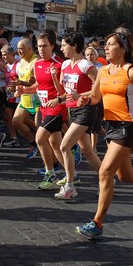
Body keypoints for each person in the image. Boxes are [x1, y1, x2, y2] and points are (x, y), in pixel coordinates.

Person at [75, 31, 133, 240]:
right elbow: (95, 97)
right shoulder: (102, 71)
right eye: (106, 43)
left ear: (123, 49)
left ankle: (97, 223)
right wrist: (83, 99)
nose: (106, 47)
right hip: (111, 125)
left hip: (128, 125)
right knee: (126, 175)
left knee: (105, 172)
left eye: (111, 44)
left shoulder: (132, 72)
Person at [15, 30, 66, 189]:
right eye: (39, 46)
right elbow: (38, 86)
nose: (42, 49)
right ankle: (72, 174)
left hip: (57, 108)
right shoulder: (37, 64)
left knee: (39, 138)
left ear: (52, 46)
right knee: (55, 144)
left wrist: (59, 98)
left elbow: (65, 91)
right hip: (44, 108)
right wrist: (23, 89)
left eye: (45, 46)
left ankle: (50, 173)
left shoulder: (59, 64)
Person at [53, 32, 101, 199]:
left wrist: (80, 95)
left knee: (64, 146)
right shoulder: (65, 64)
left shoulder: (86, 65)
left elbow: (98, 89)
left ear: (73, 46)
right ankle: (107, 179)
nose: (61, 48)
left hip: (85, 110)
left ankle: (70, 185)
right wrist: (55, 82)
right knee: (87, 150)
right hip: (71, 110)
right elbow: (63, 91)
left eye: (64, 45)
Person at [10, 37, 40, 158]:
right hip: (25, 99)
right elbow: (20, 80)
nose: (19, 52)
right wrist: (17, 89)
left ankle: (51, 163)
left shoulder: (36, 62)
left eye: (21, 49)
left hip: (37, 101)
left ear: (29, 49)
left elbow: (38, 84)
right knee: (16, 122)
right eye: (17, 49)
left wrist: (22, 84)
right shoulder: (21, 61)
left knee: (41, 132)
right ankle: (33, 143)